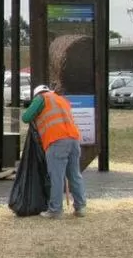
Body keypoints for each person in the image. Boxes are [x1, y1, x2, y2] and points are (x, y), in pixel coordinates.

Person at [22, 84, 86, 218]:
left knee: (56, 176)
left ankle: (55, 210)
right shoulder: (61, 99)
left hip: (56, 141)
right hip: (74, 139)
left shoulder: (41, 98)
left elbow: (26, 117)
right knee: (74, 175)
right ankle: (80, 208)